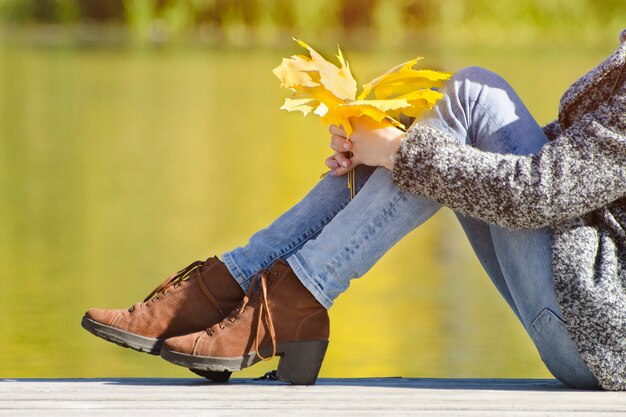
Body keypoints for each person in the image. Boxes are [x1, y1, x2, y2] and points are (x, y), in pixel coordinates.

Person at [82, 29, 626, 389]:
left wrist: (397, 150)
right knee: (439, 121)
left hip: (599, 336)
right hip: (583, 311)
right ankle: (245, 284)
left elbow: (537, 193)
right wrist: (394, 143)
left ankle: (283, 296)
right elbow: (576, 170)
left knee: (470, 98)